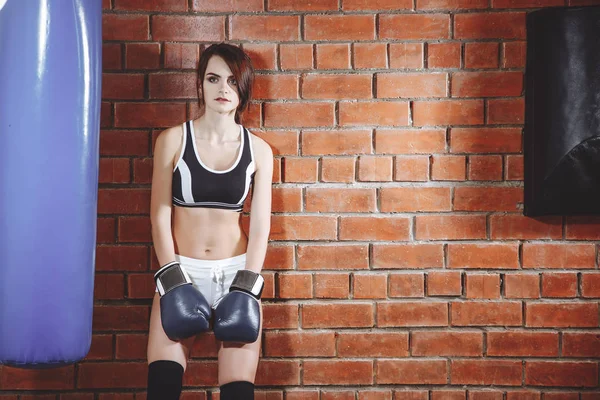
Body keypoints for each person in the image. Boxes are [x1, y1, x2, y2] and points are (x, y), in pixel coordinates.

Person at [146, 43, 273, 400]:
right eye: (213, 78)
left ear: (243, 88)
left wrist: (247, 285)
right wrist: (171, 276)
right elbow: (159, 214)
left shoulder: (259, 151)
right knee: (162, 389)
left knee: (238, 394)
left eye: (232, 81)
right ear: (200, 84)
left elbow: (261, 223)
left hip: (237, 275)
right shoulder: (172, 140)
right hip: (180, 270)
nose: (222, 89)